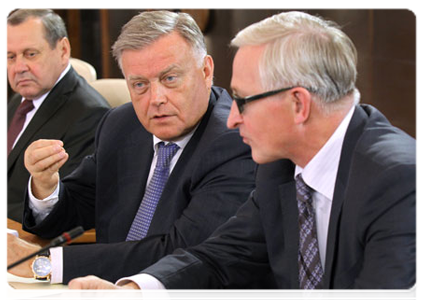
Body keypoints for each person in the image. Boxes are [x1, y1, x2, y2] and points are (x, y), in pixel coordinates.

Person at [60, 11, 419, 300]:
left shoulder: (401, 182)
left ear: (298, 104)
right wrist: (133, 291)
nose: (232, 117)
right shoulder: (280, 166)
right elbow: (218, 258)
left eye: (244, 101)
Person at [5, 10, 256, 287]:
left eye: (170, 78)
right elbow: (74, 209)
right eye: (139, 84)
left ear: (206, 71)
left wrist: (43, 263)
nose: (156, 99)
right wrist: (45, 186)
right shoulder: (121, 123)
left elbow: (178, 255)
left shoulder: (235, 140)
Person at [5, 8, 110, 222]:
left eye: (30, 54)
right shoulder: (20, 100)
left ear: (63, 50)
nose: (19, 67)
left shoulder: (90, 114)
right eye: (10, 57)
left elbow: (62, 209)